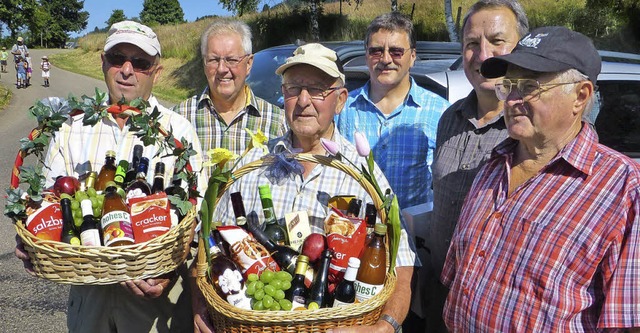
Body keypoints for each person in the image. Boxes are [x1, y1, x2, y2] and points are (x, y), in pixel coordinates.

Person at [194, 43, 419, 333]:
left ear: (340, 101)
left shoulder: (363, 175)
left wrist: (385, 327)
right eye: (293, 88)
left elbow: (402, 265)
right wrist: (200, 306)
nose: (303, 100)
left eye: (317, 89)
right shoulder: (253, 164)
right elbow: (206, 246)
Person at [442, 26, 640, 331]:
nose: (512, 100)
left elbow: (627, 324)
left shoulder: (623, 190)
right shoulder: (493, 166)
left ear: (580, 95)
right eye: (508, 85)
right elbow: (458, 278)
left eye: (529, 86)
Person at [14, 20, 205, 333]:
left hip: (156, 307)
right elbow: (47, 204)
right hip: (90, 302)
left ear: (156, 72)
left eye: (140, 63)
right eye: (118, 59)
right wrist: (33, 240)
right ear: (103, 63)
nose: (127, 70)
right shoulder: (71, 128)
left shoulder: (178, 132)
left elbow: (193, 220)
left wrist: (168, 274)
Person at [426, 1, 529, 331]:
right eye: (472, 44)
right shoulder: (449, 118)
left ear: (521, 48)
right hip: (438, 291)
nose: (483, 55)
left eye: (497, 41)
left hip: (494, 310)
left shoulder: (531, 128)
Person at [336, 12, 450, 211]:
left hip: (410, 235)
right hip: (354, 231)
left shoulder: (439, 111)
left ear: (412, 57)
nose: (386, 59)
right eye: (376, 51)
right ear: (366, 55)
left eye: (396, 52)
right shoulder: (343, 108)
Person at [173, 19, 287, 181]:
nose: (222, 69)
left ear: (248, 64)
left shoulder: (276, 122)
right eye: (213, 59)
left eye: (231, 60)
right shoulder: (180, 118)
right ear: (204, 64)